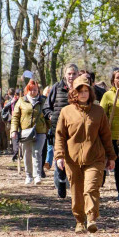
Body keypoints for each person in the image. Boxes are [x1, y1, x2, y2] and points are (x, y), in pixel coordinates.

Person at [54, 75, 116, 233]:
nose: (83, 94)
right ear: (74, 93)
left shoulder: (98, 111)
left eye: (86, 90)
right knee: (76, 190)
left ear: (90, 92)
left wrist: (111, 157)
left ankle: (91, 218)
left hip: (95, 157)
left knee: (91, 188)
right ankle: (79, 220)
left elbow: (106, 136)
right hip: (72, 159)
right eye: (79, 91)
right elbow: (60, 135)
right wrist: (59, 156)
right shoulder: (66, 112)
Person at [44, 64, 80, 198]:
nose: (71, 76)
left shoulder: (81, 89)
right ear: (65, 74)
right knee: (60, 157)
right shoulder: (57, 88)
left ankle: (75, 184)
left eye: (74, 74)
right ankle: (61, 181)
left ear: (78, 75)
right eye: (69, 74)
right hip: (58, 129)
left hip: (76, 131)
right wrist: (52, 116)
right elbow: (46, 107)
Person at [101, 68, 119, 201]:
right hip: (114, 135)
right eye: (117, 78)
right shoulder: (108, 95)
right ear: (113, 80)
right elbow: (101, 115)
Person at [10, 80, 48, 185]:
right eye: (31, 90)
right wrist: (14, 130)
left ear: (38, 90)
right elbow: (15, 117)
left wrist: (48, 129)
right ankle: (29, 176)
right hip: (25, 132)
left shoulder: (44, 101)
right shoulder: (21, 101)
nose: (33, 92)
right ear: (27, 90)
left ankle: (37, 176)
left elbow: (48, 115)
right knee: (27, 153)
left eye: (35, 90)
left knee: (37, 153)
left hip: (40, 131)